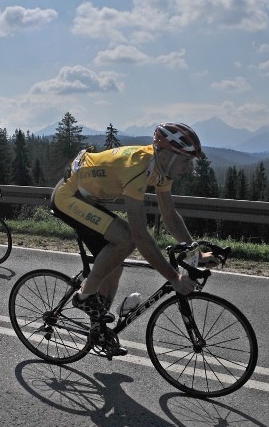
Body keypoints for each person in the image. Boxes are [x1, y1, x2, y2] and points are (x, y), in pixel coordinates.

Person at [51, 122, 211, 353]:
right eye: (186, 160)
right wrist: (174, 276)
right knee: (126, 239)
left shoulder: (162, 169)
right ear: (166, 155)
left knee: (115, 262)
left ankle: (99, 331)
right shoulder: (138, 167)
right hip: (69, 196)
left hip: (88, 195)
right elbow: (140, 235)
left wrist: (196, 252)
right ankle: (84, 296)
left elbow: (170, 216)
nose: (188, 168)